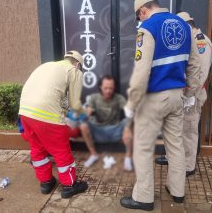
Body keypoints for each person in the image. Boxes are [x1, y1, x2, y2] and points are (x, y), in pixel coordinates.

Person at [120, 0, 201, 211]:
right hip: (177, 96)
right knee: (175, 145)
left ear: (143, 11)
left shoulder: (147, 28)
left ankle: (144, 198)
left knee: (143, 147)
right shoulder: (185, 27)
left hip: (154, 98)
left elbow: (141, 72)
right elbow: (194, 65)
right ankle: (177, 192)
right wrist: (190, 93)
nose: (139, 20)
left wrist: (131, 103)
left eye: (139, 16)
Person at [19, 50, 88, 198]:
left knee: (37, 149)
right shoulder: (74, 70)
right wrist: (85, 115)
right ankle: (69, 186)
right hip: (46, 116)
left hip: (25, 112)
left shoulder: (46, 66)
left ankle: (46, 183)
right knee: (61, 151)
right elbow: (75, 104)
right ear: (77, 64)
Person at [155, 12, 212, 177]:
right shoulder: (187, 40)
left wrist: (189, 94)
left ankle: (188, 165)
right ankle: (171, 157)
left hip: (192, 95)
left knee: (188, 130)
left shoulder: (200, 42)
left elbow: (200, 73)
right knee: (174, 128)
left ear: (188, 25)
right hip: (178, 93)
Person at [79, 75, 134, 171]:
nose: (108, 91)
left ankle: (128, 157)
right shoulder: (94, 97)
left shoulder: (118, 98)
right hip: (98, 131)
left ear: (114, 88)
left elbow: (129, 112)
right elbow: (88, 109)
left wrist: (127, 127)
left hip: (115, 130)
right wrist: (88, 112)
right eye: (105, 88)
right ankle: (93, 154)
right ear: (100, 87)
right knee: (83, 125)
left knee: (129, 123)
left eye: (111, 88)